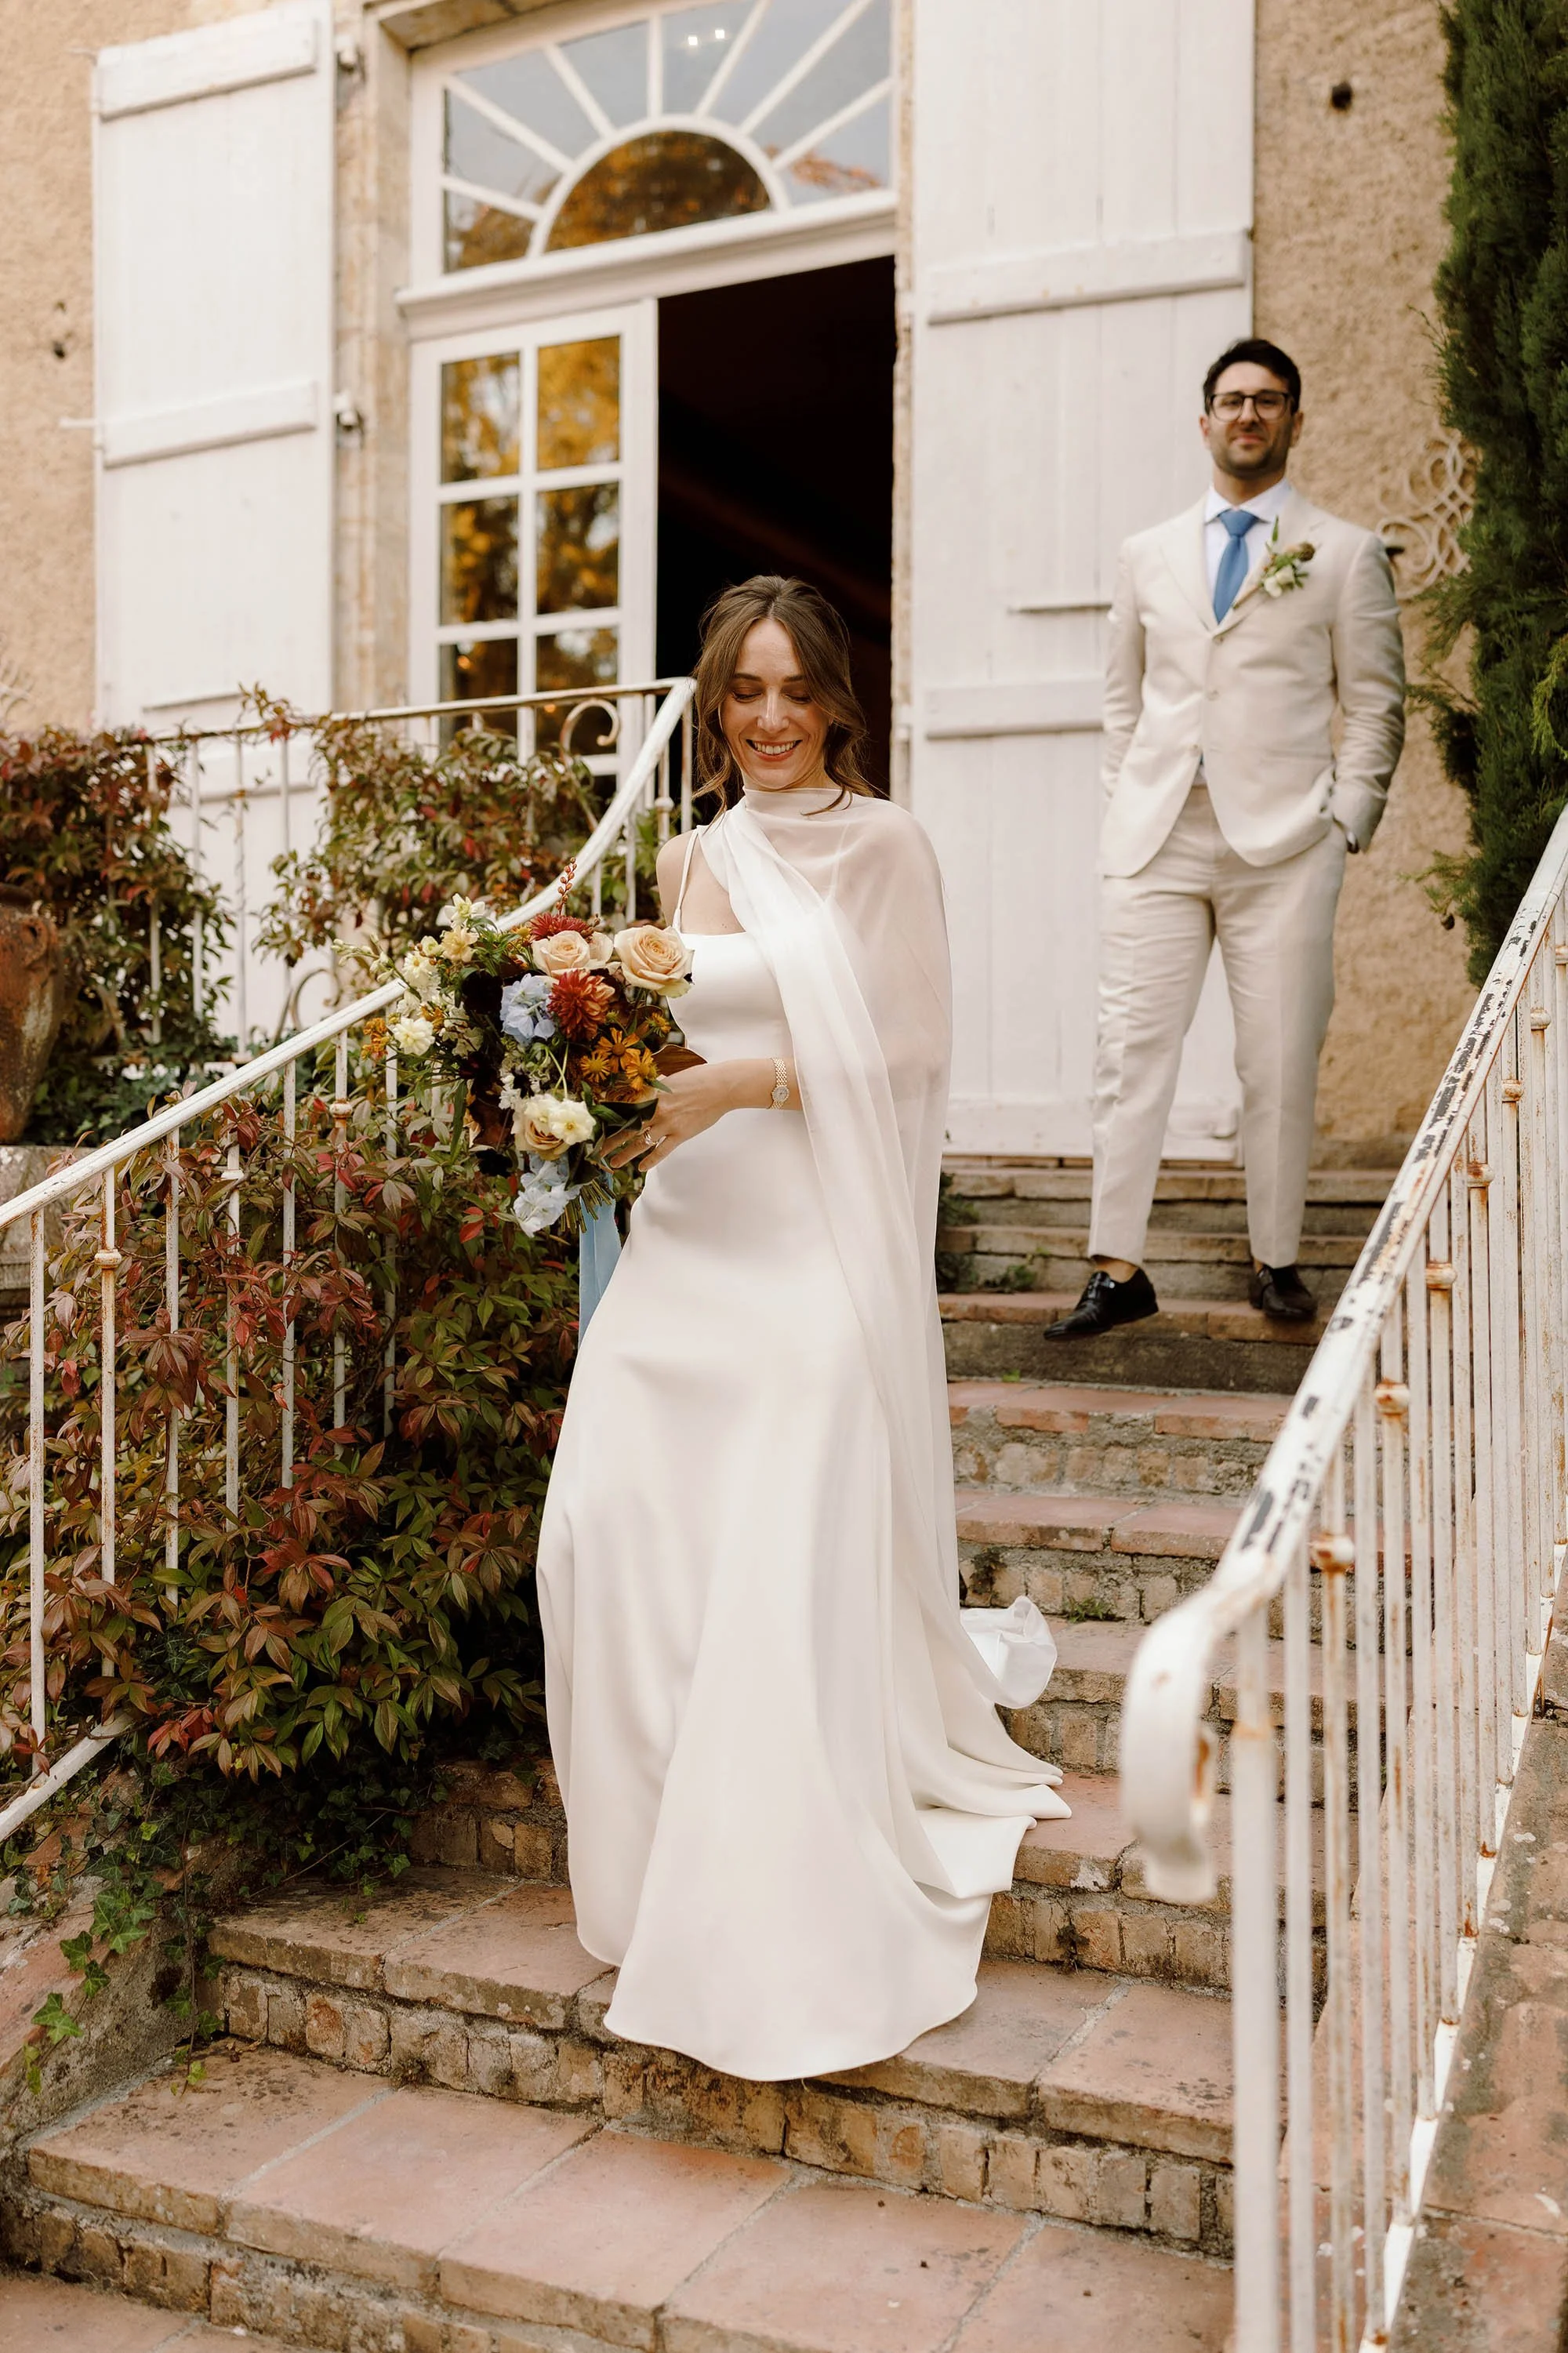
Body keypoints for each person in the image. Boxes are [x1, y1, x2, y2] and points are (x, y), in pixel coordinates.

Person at [536, 576, 1066, 2083]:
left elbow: (905, 1046)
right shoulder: (694, 851)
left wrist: (735, 1092)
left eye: (793, 692)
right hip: (692, 1239)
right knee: (593, 1531)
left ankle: (761, 1890)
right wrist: (596, 1103)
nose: (769, 721)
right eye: (741, 696)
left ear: (838, 700)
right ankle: (642, 1872)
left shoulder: (889, 845)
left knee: (770, 1556)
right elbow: (672, 1031)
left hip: (813, 1246)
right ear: (713, 709)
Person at [1047, 337, 1406, 1338]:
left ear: (1294, 420)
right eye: (1231, 400)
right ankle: (1116, 1269)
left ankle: (1275, 1259)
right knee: (1130, 1051)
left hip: (1287, 845)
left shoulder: (1341, 553)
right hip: (1158, 838)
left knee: (1278, 1057)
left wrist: (1345, 824)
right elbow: (1123, 704)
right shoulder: (1145, 554)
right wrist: (1127, 803)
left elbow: (1376, 706)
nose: (1248, 415)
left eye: (1268, 401)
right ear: (1202, 420)